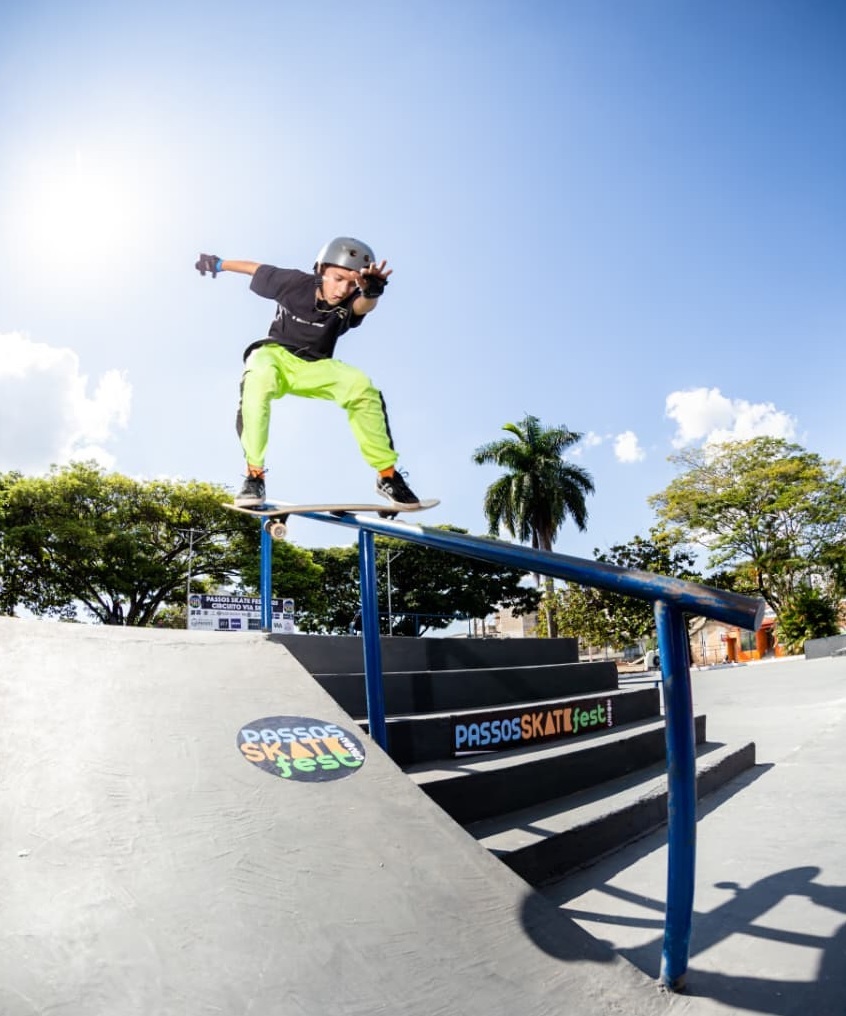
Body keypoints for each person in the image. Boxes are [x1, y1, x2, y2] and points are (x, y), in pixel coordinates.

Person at [195, 238, 421, 508]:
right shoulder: (292, 282)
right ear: (321, 270)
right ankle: (254, 476)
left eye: (351, 284)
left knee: (360, 385)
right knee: (259, 374)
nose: (342, 289)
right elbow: (254, 269)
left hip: (316, 367)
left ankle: (387, 476)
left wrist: (371, 293)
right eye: (337, 279)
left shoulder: (350, 300)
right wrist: (218, 264)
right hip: (276, 356)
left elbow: (363, 307)